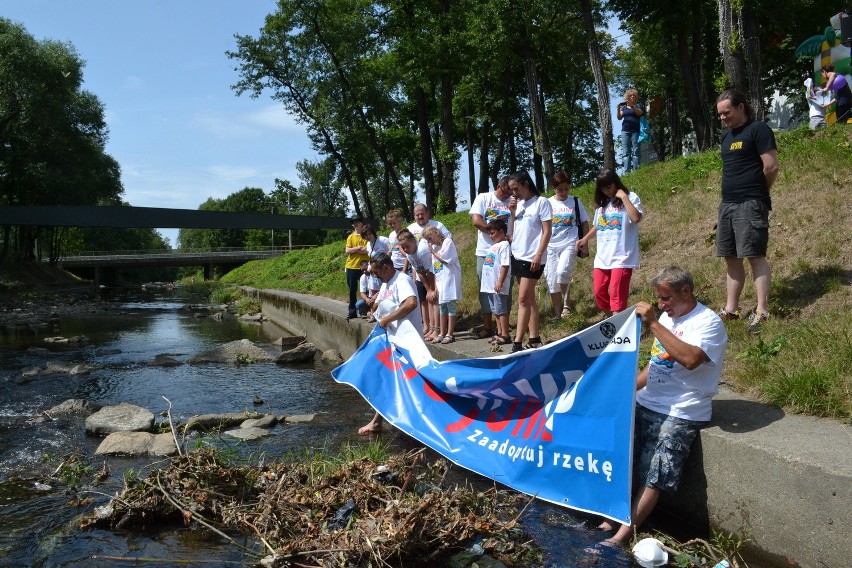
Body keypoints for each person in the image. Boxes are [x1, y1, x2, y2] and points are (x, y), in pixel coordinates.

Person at [597, 267, 728, 548]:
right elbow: (656, 365)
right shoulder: (668, 317)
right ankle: (612, 515)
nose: (661, 304)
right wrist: (625, 389)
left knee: (654, 473)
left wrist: (654, 324)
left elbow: (691, 359)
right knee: (623, 458)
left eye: (665, 298)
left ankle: (622, 535)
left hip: (680, 409)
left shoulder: (708, 323)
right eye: (658, 298)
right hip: (647, 401)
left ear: (686, 291)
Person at [715, 89, 778, 334]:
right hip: (727, 205)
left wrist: (760, 194)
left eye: (727, 113)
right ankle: (732, 309)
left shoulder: (759, 130)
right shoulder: (725, 137)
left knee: (754, 255)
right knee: (731, 257)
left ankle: (762, 310)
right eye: (720, 114)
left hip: (751, 203)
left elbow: (771, 166)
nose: (723, 118)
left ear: (741, 107)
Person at [357, 252, 422, 435]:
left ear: (386, 267)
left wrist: (387, 319)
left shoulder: (402, 281)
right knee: (389, 378)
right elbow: (378, 303)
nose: (376, 276)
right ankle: (379, 421)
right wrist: (376, 308)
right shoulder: (386, 282)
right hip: (394, 340)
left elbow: (411, 303)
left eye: (377, 272)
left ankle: (387, 421)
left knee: (404, 381)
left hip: (409, 341)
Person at [576, 169, 643, 317]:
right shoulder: (602, 205)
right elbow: (598, 225)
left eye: (609, 187)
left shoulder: (631, 197)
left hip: (622, 257)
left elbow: (636, 218)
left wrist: (624, 197)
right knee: (599, 294)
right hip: (602, 258)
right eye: (603, 189)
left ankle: (618, 331)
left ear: (616, 183)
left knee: (616, 295)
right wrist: (585, 238)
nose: (607, 191)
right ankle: (616, 322)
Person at [508, 170, 552, 353]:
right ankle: (534, 338)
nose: (514, 193)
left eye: (516, 188)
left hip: (533, 257)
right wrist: (512, 213)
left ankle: (517, 342)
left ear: (526, 184)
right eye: (511, 190)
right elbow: (512, 230)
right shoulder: (519, 205)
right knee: (530, 298)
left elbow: (547, 231)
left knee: (523, 299)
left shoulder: (541, 203)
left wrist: (538, 254)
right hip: (518, 254)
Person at [469, 176, 514, 339]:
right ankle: (488, 326)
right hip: (485, 251)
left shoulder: (513, 201)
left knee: (504, 287)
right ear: (498, 187)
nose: (507, 195)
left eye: (510, 191)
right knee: (486, 287)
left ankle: (503, 327)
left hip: (505, 249)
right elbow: (476, 220)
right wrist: (495, 233)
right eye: (504, 191)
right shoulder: (483, 198)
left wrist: (504, 238)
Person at [544, 171, 589, 319]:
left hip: (570, 242)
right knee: (552, 279)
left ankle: (566, 303)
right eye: (560, 189)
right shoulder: (547, 203)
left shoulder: (575, 201)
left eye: (566, 189)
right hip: (550, 245)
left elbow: (584, 223)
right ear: (554, 188)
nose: (563, 192)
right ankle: (558, 314)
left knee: (562, 272)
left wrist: (585, 244)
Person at [398, 228, 439, 341]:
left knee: (434, 300)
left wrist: (431, 289)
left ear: (413, 241)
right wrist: (428, 290)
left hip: (435, 273)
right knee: (429, 299)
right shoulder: (410, 255)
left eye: (407, 246)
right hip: (425, 273)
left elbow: (430, 271)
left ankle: (437, 329)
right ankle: (431, 328)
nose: (405, 249)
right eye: (403, 247)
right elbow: (420, 272)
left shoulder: (422, 250)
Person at [423, 226, 463, 344]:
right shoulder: (434, 247)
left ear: (436, 232)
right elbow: (435, 269)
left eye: (430, 238)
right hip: (441, 281)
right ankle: (442, 332)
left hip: (450, 279)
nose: (431, 242)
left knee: (451, 307)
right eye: (428, 240)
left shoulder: (447, 242)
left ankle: (450, 334)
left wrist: (433, 253)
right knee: (442, 308)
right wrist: (435, 286)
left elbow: (446, 259)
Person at [480, 219, 512, 345]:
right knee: (496, 310)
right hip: (489, 285)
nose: (491, 236)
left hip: (498, 285)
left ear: (501, 231)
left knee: (501, 309)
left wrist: (500, 282)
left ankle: (505, 335)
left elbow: (505, 265)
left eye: (493, 233)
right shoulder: (493, 246)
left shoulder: (504, 245)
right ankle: (499, 332)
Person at [344, 217, 370, 320]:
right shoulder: (350, 237)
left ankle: (364, 310)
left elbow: (366, 250)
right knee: (352, 291)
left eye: (357, 222)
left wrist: (354, 250)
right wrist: (358, 248)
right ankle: (352, 312)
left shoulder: (365, 236)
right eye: (354, 223)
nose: (355, 224)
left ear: (361, 223)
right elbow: (347, 251)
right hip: (351, 266)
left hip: (364, 267)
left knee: (367, 290)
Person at [617, 88, 645, 173]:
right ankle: (627, 172)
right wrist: (618, 108)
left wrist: (632, 106)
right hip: (625, 131)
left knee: (636, 151)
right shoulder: (624, 108)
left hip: (636, 131)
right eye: (630, 95)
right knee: (626, 152)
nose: (632, 96)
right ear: (627, 97)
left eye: (634, 95)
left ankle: (637, 171)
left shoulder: (639, 105)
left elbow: (639, 113)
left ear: (636, 97)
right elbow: (619, 117)